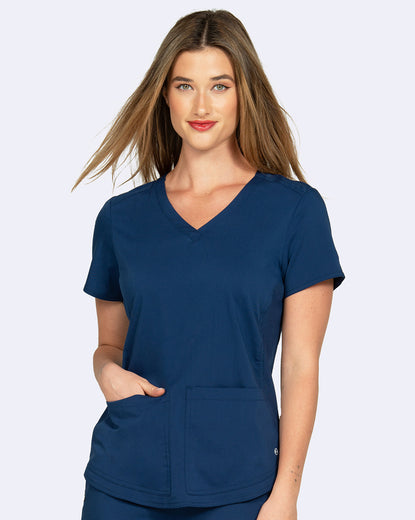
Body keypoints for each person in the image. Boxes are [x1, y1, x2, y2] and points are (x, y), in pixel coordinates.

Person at [72, 9, 345, 520]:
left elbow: (300, 365)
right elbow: (110, 346)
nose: (201, 105)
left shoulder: (295, 212)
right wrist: (105, 372)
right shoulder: (120, 219)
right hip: (123, 478)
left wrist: (286, 495)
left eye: (220, 86)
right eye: (185, 86)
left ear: (244, 94)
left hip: (241, 484)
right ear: (165, 95)